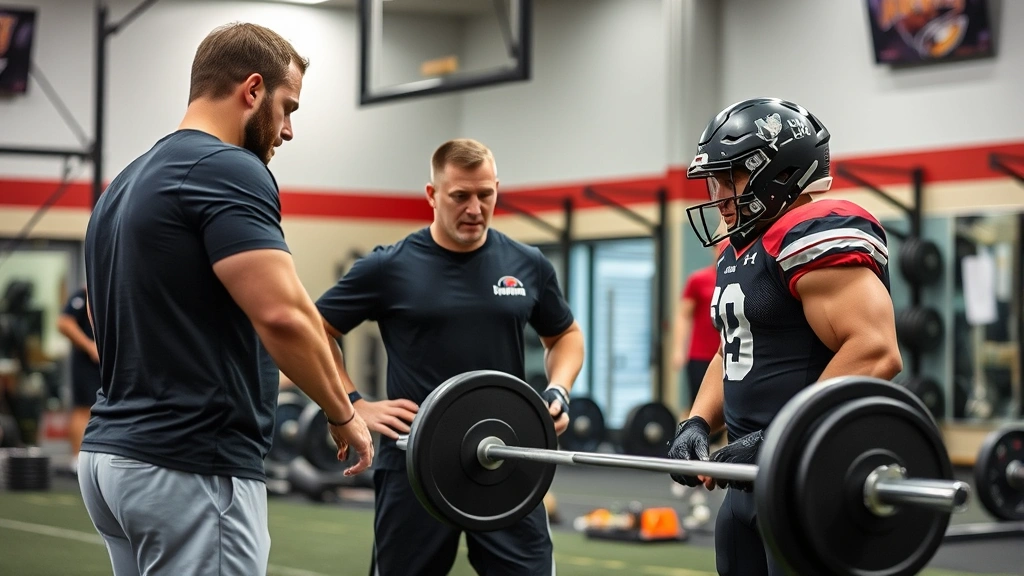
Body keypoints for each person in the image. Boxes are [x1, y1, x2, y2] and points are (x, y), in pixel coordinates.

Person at [78, 23, 373, 576]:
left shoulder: (122, 183)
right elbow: (283, 316)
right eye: (288, 108)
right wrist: (343, 412)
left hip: (110, 460)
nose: (287, 131)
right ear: (253, 89)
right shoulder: (230, 168)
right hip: (190, 464)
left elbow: (102, 314)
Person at [316, 138, 585, 576]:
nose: (475, 208)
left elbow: (566, 335)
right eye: (460, 196)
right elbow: (316, 331)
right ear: (432, 195)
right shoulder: (389, 267)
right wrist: (351, 403)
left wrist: (559, 388)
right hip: (416, 460)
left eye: (486, 195)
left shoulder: (527, 264)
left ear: (497, 188)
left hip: (507, 456)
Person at [667, 98, 904, 576]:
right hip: (749, 481)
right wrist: (695, 423)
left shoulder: (808, 235)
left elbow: (876, 351)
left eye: (729, 178)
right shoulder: (740, 249)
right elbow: (732, 346)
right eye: (715, 180)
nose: (719, 195)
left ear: (777, 175)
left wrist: (780, 436)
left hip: (809, 476)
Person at [56, 285, 100, 474]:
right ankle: (78, 459)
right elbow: (64, 323)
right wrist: (90, 346)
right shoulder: (84, 294)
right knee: (84, 409)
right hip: (87, 364)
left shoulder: (112, 292)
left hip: (111, 364)